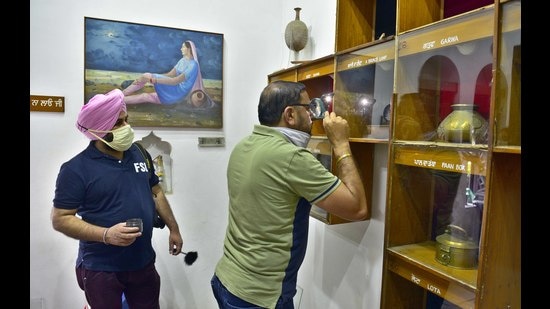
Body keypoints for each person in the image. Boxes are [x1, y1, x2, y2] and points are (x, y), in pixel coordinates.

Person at [211, 81, 369, 309]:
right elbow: (357, 208)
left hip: (227, 279)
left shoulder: (244, 145)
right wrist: (341, 144)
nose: (314, 116)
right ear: (290, 114)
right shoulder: (292, 157)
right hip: (260, 296)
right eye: (309, 107)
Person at [51, 88, 184, 309]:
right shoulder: (75, 169)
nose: (126, 128)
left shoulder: (139, 153)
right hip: (101, 268)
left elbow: (156, 191)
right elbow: (61, 218)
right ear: (98, 130)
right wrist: (106, 235)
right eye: (117, 124)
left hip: (142, 262)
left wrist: (174, 228)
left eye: (126, 120)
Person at [122, 40, 214, 108]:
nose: (181, 48)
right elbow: (170, 75)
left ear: (189, 48)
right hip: (172, 90)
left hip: (177, 93)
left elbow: (175, 81)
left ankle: (122, 94)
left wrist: (154, 80)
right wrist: (152, 76)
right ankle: (120, 100)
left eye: (183, 47)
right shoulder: (182, 60)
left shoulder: (193, 65)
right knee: (145, 96)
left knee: (146, 76)